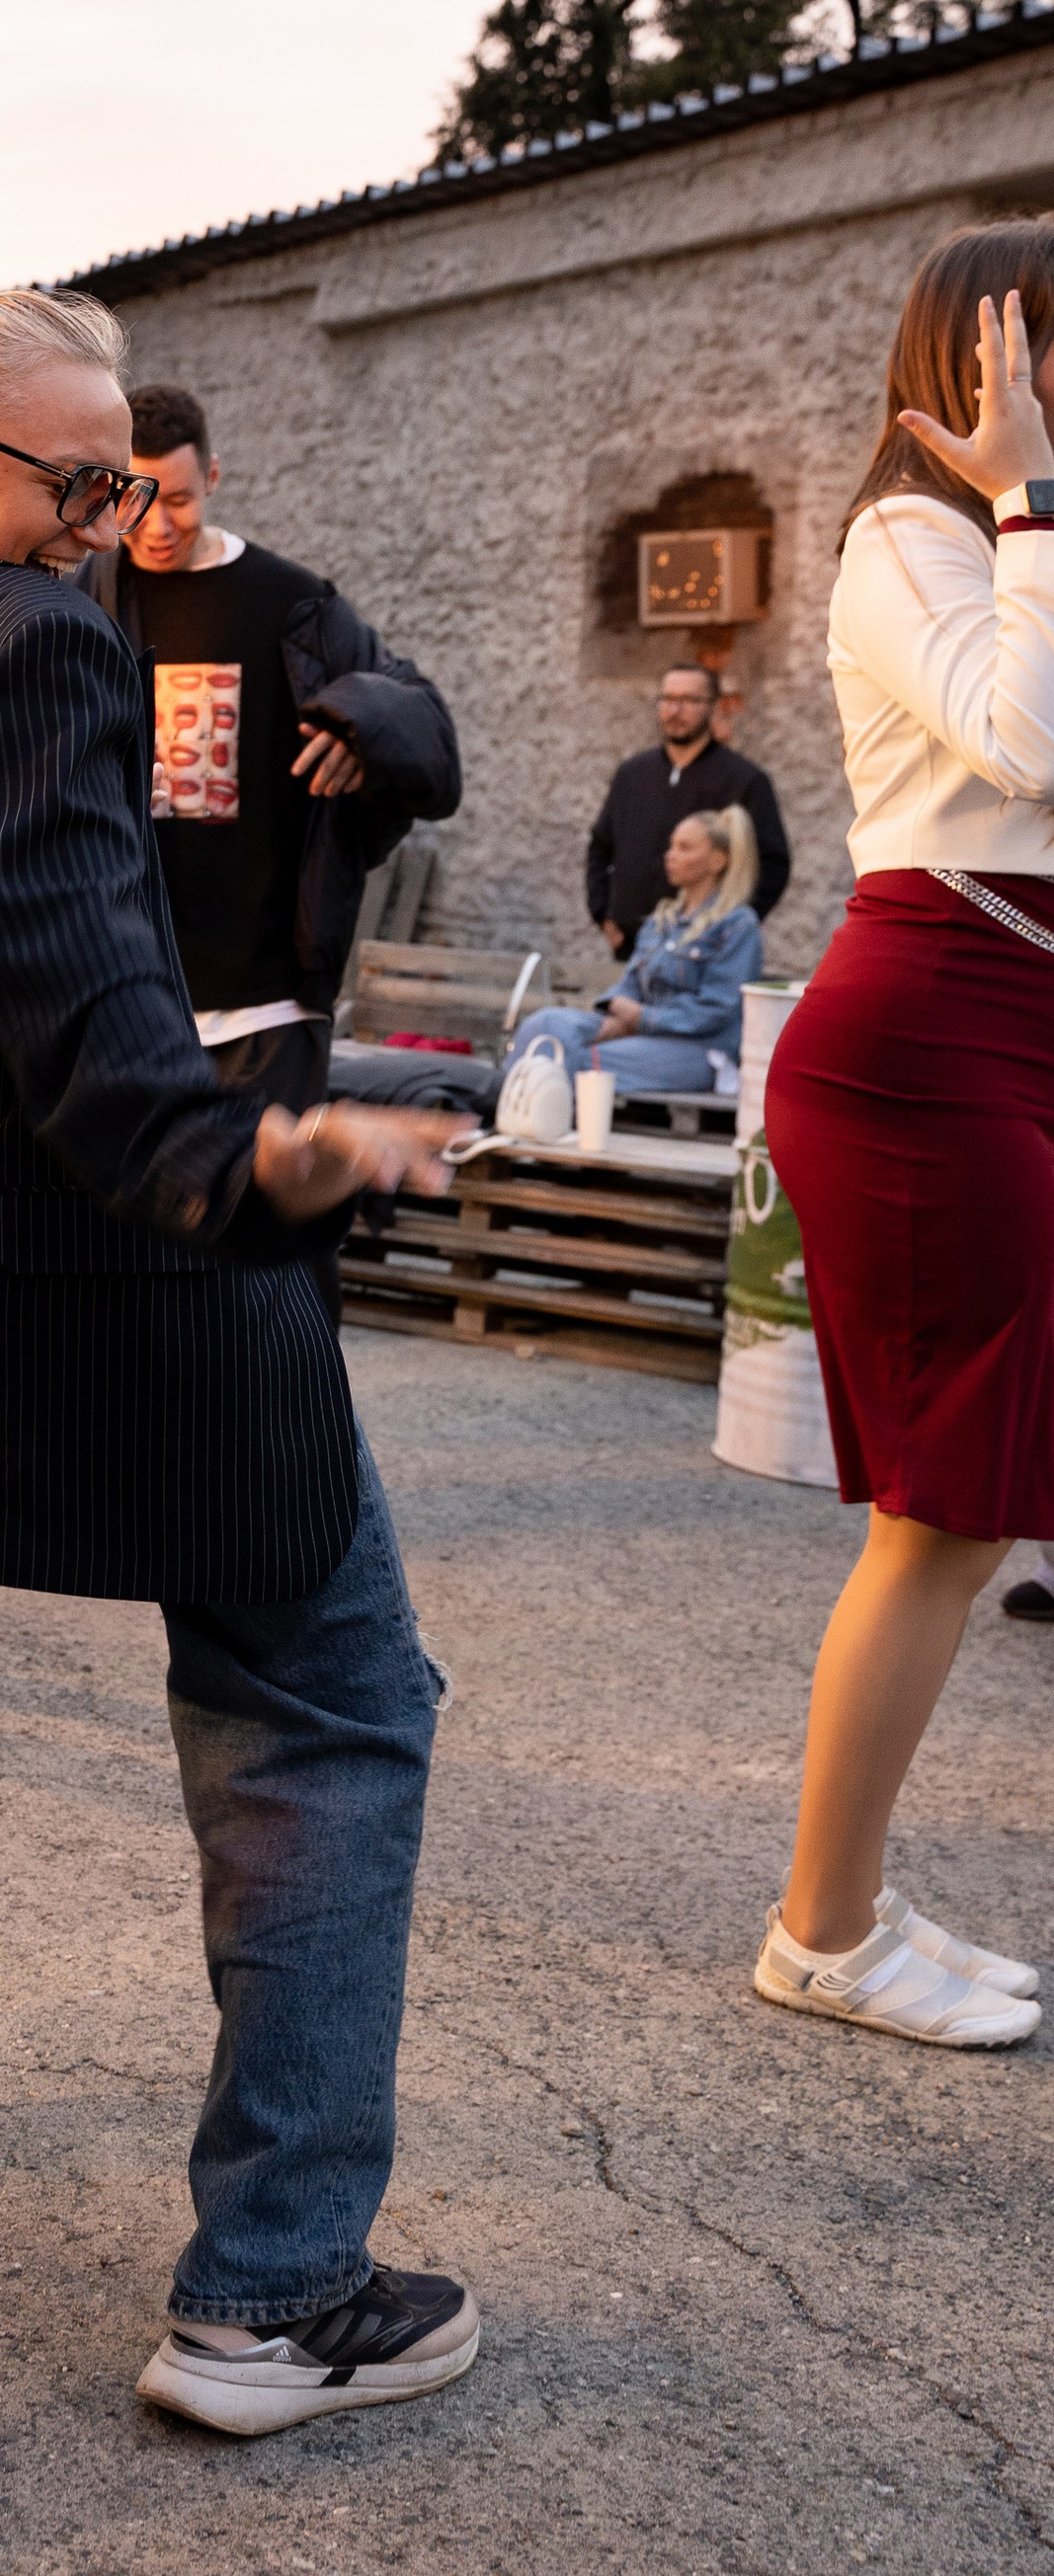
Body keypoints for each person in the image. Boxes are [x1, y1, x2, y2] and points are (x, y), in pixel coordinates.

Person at [0, 285, 483, 2439]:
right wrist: (294, 1160)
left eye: (123, 478)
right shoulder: (34, 646)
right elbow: (106, 1078)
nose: (106, 522)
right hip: (63, 1306)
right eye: (71, 482)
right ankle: (271, 2290)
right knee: (330, 1697)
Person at [755, 232, 1054, 2049]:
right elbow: (1027, 740)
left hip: (1009, 1024)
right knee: (940, 1514)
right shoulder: (908, 540)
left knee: (972, 1509)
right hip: (927, 1036)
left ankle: (848, 1905)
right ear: (988, 357)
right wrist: (1025, 503)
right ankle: (827, 1931)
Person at [87, 380, 460, 1129]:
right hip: (130, 993)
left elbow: (427, 732)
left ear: (215, 477)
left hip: (269, 1005)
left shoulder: (292, 603)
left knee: (270, 1241)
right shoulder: (85, 599)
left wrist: (358, 728)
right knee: (144, 1243)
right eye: (139, 501)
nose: (158, 524)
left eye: (182, 500)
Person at [510, 806, 762, 1097]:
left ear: (718, 861)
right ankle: (507, 1117)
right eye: (671, 846)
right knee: (543, 1026)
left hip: (700, 1049)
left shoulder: (737, 925)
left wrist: (641, 1018)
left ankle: (550, 1131)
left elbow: (715, 1009)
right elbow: (630, 984)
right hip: (640, 1032)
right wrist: (619, 1016)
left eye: (685, 848)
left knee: (580, 1063)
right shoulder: (662, 920)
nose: (670, 855)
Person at [586, 663, 790, 952]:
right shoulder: (632, 774)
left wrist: (727, 926)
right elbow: (600, 847)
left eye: (689, 700)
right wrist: (603, 914)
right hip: (632, 945)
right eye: (668, 699)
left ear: (714, 707)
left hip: (701, 950)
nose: (675, 711)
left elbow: (773, 864)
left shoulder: (744, 779)